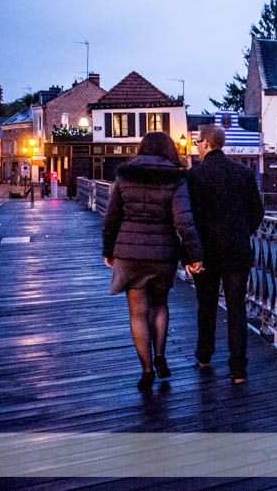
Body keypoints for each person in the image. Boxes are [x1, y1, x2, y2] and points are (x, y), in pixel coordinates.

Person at [102, 132, 203, 391]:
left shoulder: (125, 174)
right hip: (163, 253)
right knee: (159, 305)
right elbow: (184, 221)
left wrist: (108, 250)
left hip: (129, 253)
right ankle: (160, 357)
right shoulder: (175, 177)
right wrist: (194, 256)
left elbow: (111, 217)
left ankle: (146, 370)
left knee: (137, 313)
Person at [187, 125, 264, 383]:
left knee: (206, 307)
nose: (196, 147)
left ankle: (204, 355)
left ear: (207, 144)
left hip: (206, 253)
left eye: (198, 142)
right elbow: (257, 212)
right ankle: (238, 369)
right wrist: (243, 232)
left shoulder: (195, 176)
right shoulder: (243, 173)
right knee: (236, 310)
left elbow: (190, 218)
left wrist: (190, 253)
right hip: (237, 252)